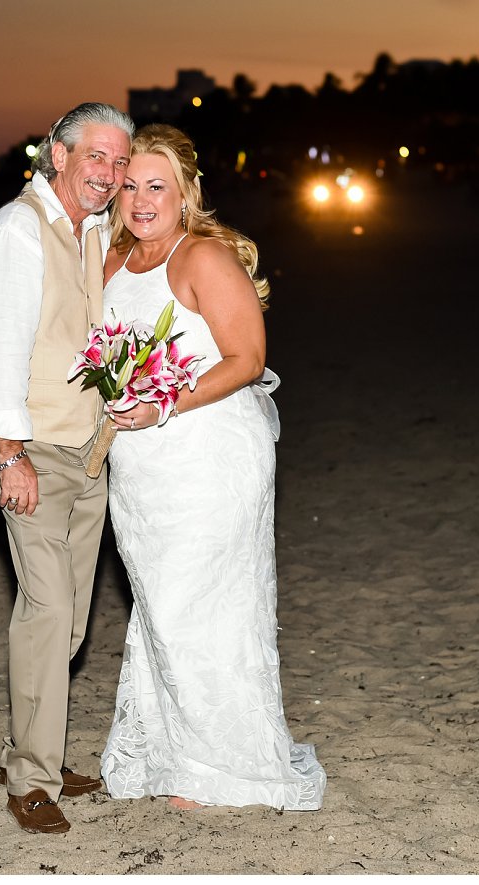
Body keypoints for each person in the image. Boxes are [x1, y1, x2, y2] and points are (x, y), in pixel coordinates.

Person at [98, 124, 325, 811]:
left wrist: (161, 402)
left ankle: (224, 766)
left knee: (206, 605)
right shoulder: (111, 262)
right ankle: (174, 753)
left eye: (156, 185)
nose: (141, 199)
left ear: (187, 191)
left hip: (210, 453)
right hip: (141, 467)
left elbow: (247, 358)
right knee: (162, 608)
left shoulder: (203, 257)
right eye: (130, 184)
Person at [0, 101, 134, 835]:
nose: (110, 173)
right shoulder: (17, 232)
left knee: (67, 621)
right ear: (57, 155)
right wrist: (10, 455)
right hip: (30, 446)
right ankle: (31, 779)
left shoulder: (92, 231)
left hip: (86, 446)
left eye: (121, 162)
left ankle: (40, 743)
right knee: (48, 609)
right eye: (96, 156)